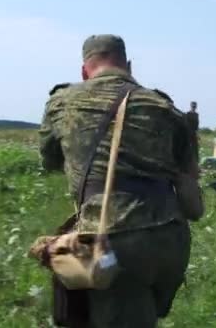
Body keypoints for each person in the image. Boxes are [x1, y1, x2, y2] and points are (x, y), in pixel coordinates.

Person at [38, 34, 199, 327]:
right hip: (171, 239)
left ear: (84, 71)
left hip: (114, 240)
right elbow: (188, 173)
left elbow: (50, 161)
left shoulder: (62, 103)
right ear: (129, 65)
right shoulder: (164, 106)